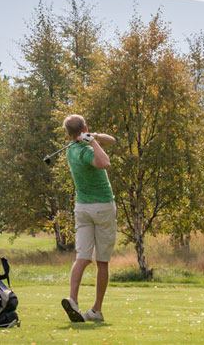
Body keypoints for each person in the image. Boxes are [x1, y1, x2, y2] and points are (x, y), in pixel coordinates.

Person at [59, 114, 117, 323]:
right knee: (102, 261)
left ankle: (73, 299)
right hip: (102, 207)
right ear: (83, 127)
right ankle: (96, 310)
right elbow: (105, 163)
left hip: (81, 208)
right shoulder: (84, 151)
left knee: (82, 257)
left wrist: (96, 136)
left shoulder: (71, 149)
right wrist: (92, 140)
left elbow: (112, 141)